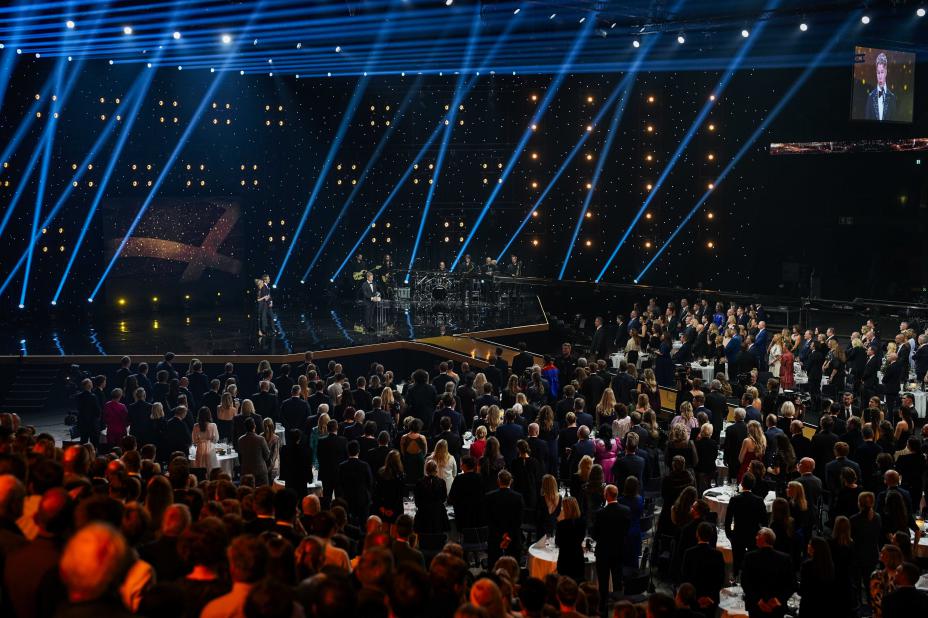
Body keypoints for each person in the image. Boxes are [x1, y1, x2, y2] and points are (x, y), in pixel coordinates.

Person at [591, 484, 631, 615]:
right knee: (618, 581)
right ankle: (620, 610)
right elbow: (626, 531)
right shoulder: (626, 510)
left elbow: (594, 535)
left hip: (603, 552)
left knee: (603, 584)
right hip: (619, 551)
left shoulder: (600, 513)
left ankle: (603, 610)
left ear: (606, 495)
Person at [740, 527, 795, 618]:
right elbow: (791, 585)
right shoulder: (785, 558)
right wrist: (778, 600)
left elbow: (745, 583)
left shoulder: (750, 557)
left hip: (756, 607)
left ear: (763, 539)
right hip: (777, 608)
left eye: (758, 535)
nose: (756, 537)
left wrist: (758, 600)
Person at [725, 473, 768, 577]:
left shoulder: (734, 499)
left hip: (738, 535)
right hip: (753, 535)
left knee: (737, 562)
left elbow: (728, 520)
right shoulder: (759, 500)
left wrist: (729, 535)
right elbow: (765, 521)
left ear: (742, 483)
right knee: (753, 562)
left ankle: (735, 579)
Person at [681, 521, 726, 618]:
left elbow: (685, 577)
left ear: (697, 534)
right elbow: (720, 579)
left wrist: (696, 598)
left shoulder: (689, 553)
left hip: (693, 598)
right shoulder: (718, 555)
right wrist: (710, 597)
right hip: (711, 599)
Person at [484, 470, 524, 567]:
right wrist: (508, 535)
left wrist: (501, 535)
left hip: (495, 535)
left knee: (494, 564)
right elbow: (519, 520)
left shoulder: (489, 496)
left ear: (498, 481)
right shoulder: (518, 497)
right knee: (512, 565)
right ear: (511, 481)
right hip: (513, 536)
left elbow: (487, 519)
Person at [799, 536, 834, 616]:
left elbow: (803, 588)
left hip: (808, 604)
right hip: (824, 604)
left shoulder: (807, 565)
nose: (808, 545)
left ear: (814, 548)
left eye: (810, 544)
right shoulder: (829, 565)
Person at [555, 497, 585, 583]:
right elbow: (581, 539)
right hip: (578, 557)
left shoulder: (562, 524)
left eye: (562, 507)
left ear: (566, 509)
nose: (561, 509)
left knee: (563, 584)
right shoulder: (582, 522)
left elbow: (557, 542)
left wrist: (558, 521)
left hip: (565, 559)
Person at [237, 417, 271, 486]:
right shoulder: (261, 439)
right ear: (254, 426)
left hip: (246, 472)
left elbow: (240, 457)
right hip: (260, 473)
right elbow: (267, 456)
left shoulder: (240, 440)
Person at [865, 52, 897, 122]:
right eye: (878, 73)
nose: (880, 76)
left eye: (882, 72)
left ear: (886, 72)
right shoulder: (870, 97)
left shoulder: (892, 98)